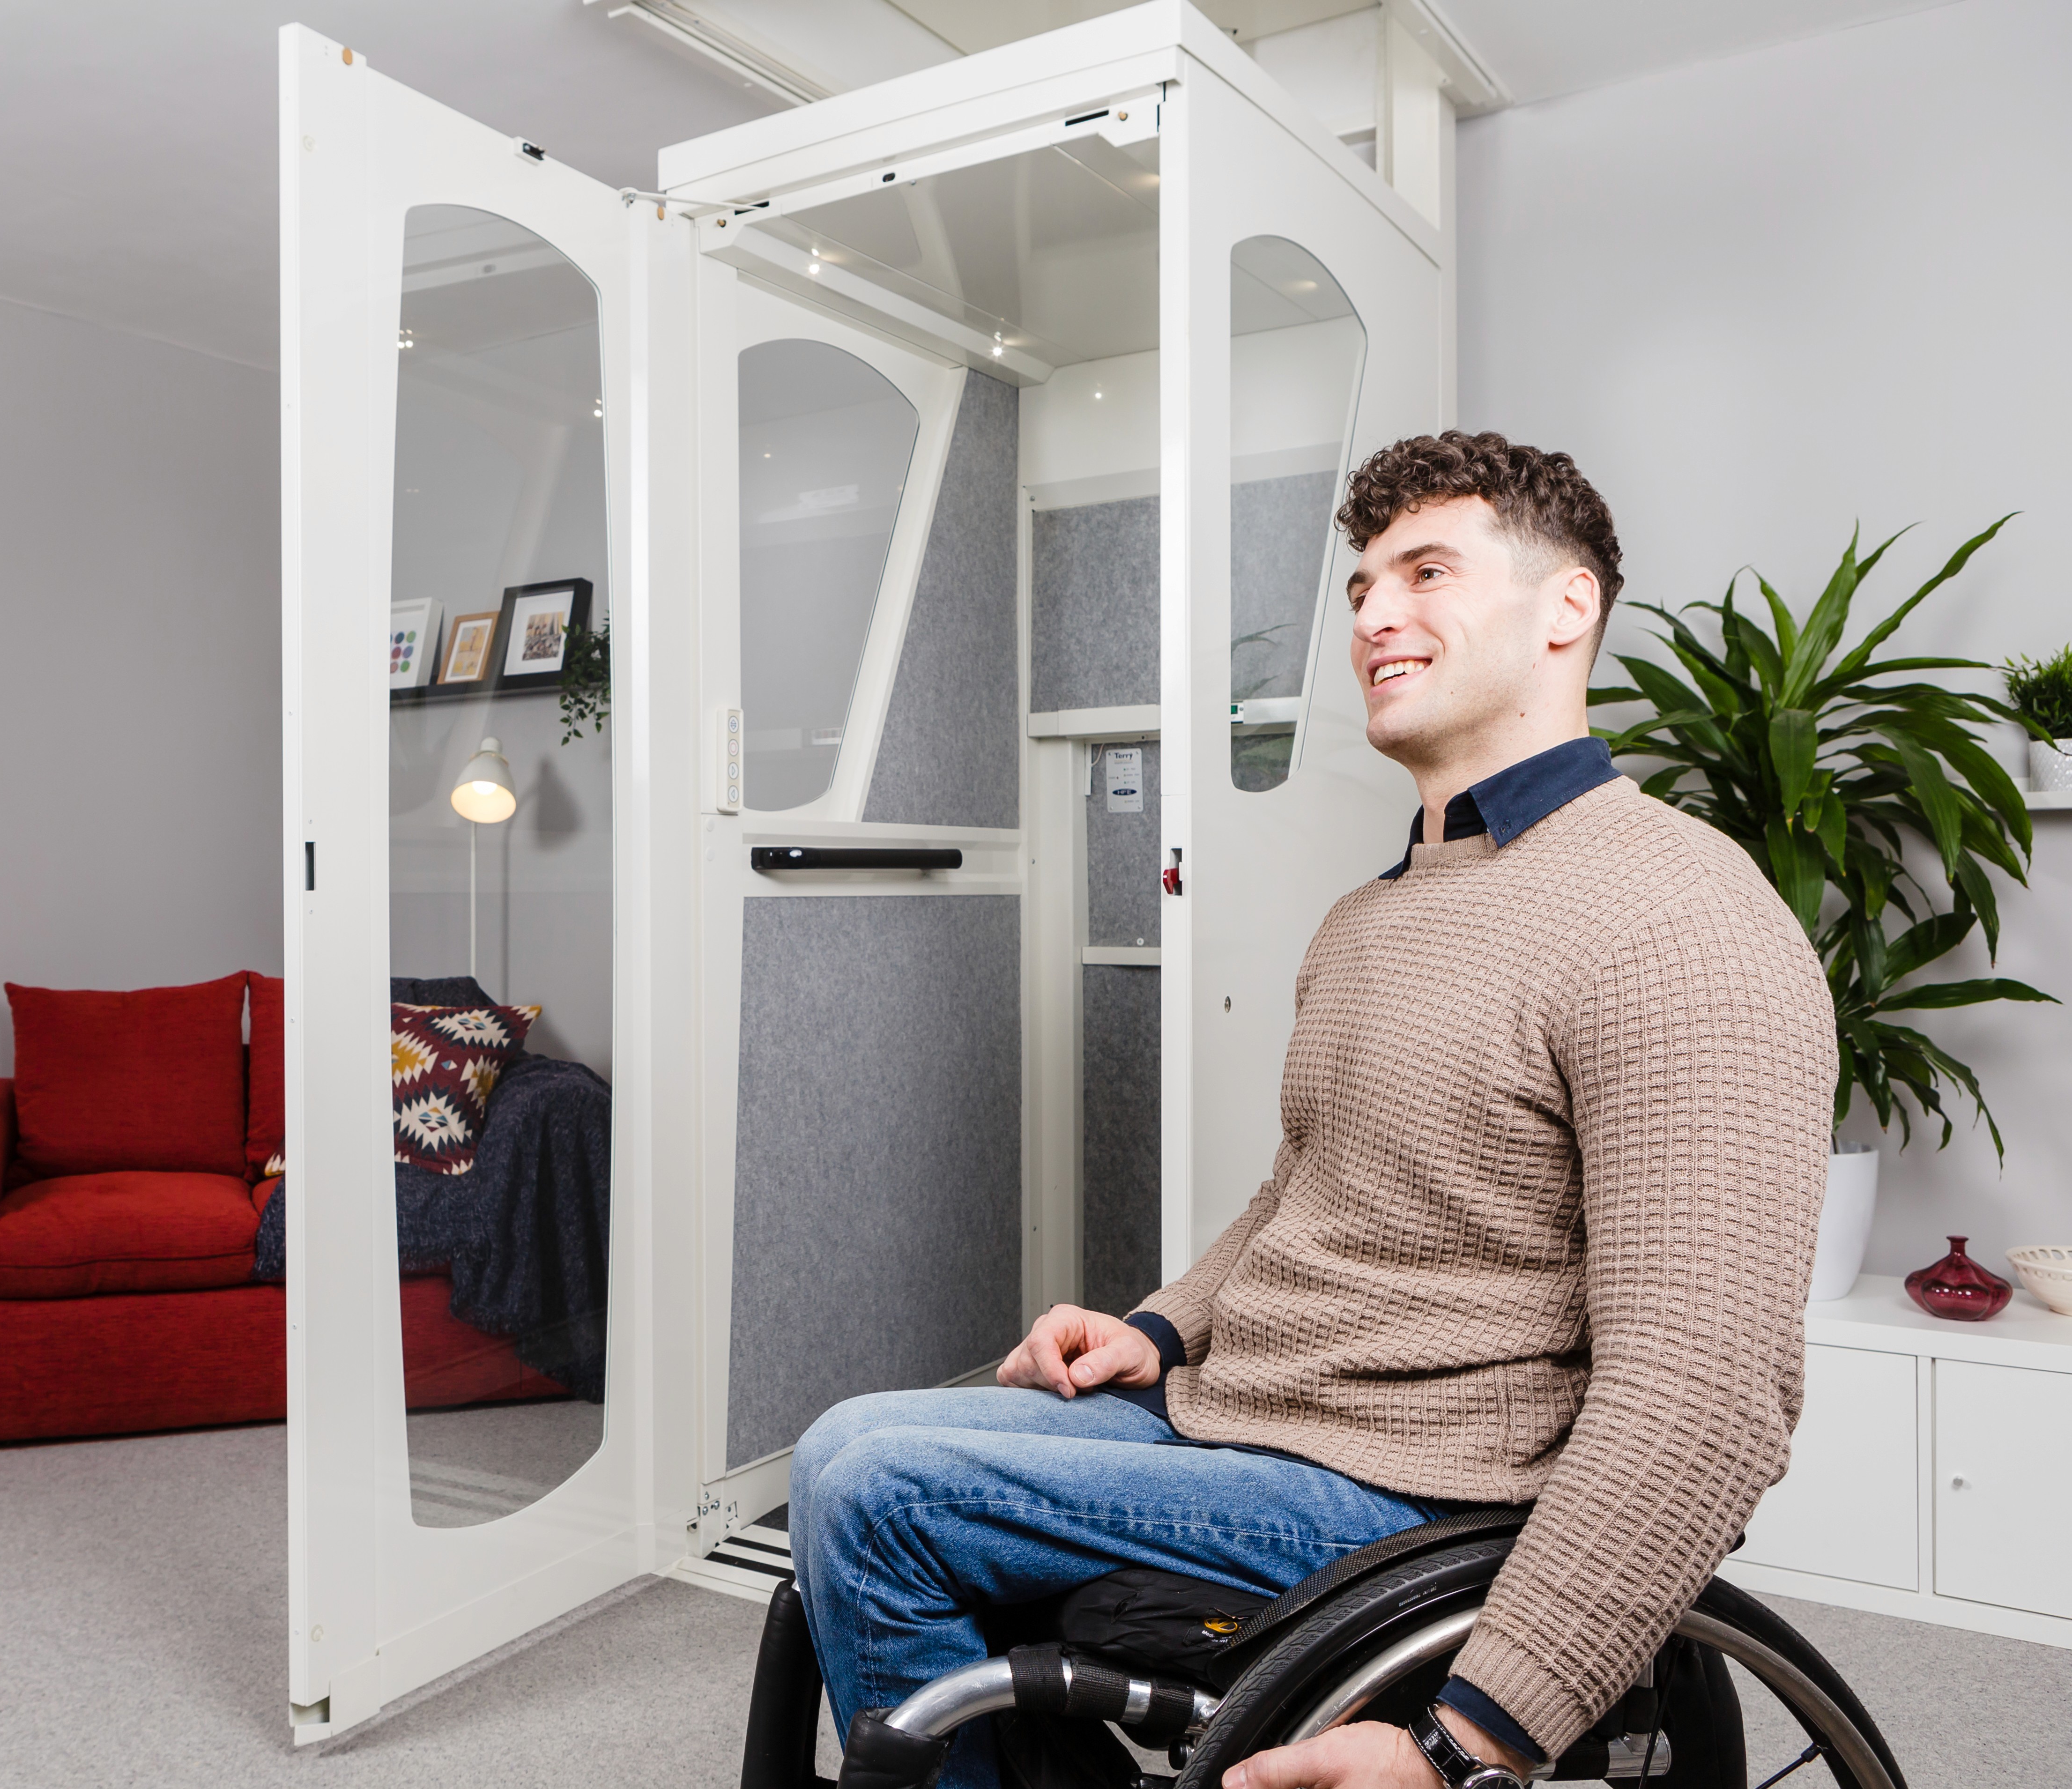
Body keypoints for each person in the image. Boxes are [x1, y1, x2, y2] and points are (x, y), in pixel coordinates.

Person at [786, 432, 1835, 1789]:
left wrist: (1467, 1745)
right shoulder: (1370, 918)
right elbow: (1306, 1188)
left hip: (1425, 1491)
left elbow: (1707, 1396)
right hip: (1250, 1413)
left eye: (1427, 572)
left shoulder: (1678, 916)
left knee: (875, 1495)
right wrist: (1160, 1328)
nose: (1375, 615)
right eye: (1362, 587)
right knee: (844, 1442)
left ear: (1567, 607)